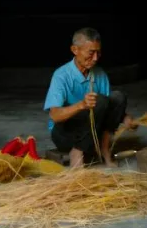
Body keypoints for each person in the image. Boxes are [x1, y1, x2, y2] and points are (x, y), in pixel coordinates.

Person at [44, 28, 133, 169]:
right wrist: (81, 105)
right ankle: (77, 151)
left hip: (93, 132)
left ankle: (104, 149)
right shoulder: (61, 76)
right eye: (91, 53)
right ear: (75, 50)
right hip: (66, 135)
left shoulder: (100, 74)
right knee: (100, 100)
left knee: (118, 97)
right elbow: (55, 116)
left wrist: (125, 118)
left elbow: (109, 108)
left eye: (98, 52)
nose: (96, 58)